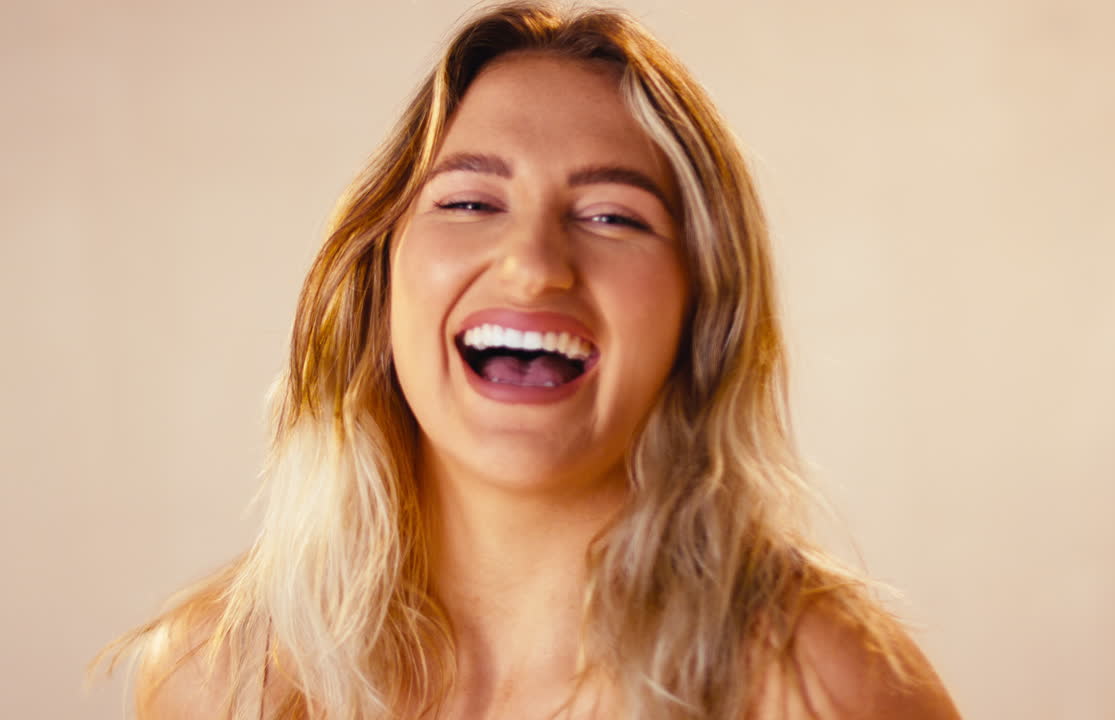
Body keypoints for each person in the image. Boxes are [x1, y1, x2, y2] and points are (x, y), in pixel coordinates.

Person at [98, 3, 962, 718]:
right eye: (470, 202)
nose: (533, 265)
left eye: (613, 216)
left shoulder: (822, 689)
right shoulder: (221, 682)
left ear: (702, 306)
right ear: (377, 279)